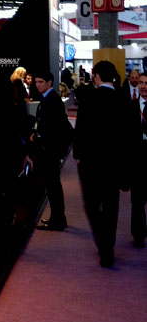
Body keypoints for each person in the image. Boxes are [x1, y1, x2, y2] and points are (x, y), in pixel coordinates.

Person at [73, 61, 128, 267]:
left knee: (92, 205)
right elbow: (128, 137)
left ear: (96, 76)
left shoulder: (88, 98)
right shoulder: (124, 100)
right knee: (111, 206)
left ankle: (102, 244)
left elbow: (80, 129)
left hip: (90, 162)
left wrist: (78, 155)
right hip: (113, 163)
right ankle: (108, 247)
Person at [31, 70, 73, 231]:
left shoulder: (52, 100)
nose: (37, 85)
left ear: (49, 82)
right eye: (36, 82)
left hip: (50, 150)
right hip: (49, 149)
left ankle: (58, 219)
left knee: (53, 185)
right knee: (52, 184)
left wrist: (41, 137)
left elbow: (54, 126)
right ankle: (57, 218)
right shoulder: (48, 98)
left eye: (40, 82)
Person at [127, 72, 147, 250]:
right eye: (141, 83)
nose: (143, 86)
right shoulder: (131, 106)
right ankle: (139, 236)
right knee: (138, 202)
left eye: (146, 83)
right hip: (136, 162)